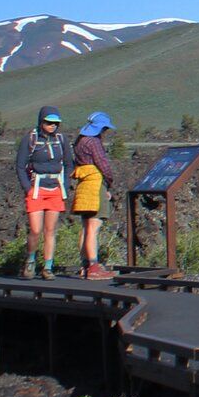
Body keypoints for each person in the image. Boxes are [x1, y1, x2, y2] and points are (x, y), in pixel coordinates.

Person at [10, 107, 72, 277]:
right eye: (48, 122)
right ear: (41, 121)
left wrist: (64, 186)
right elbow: (20, 166)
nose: (52, 126)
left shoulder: (61, 140)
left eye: (55, 123)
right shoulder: (30, 139)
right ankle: (30, 261)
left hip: (55, 189)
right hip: (36, 189)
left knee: (50, 231)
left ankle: (48, 267)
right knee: (36, 230)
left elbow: (68, 164)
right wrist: (27, 188)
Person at [72, 111, 115, 279]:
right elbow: (103, 164)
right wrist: (109, 183)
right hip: (95, 186)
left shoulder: (79, 141)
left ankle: (85, 265)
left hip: (83, 185)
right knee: (93, 227)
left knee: (85, 227)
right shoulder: (94, 142)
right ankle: (94, 267)